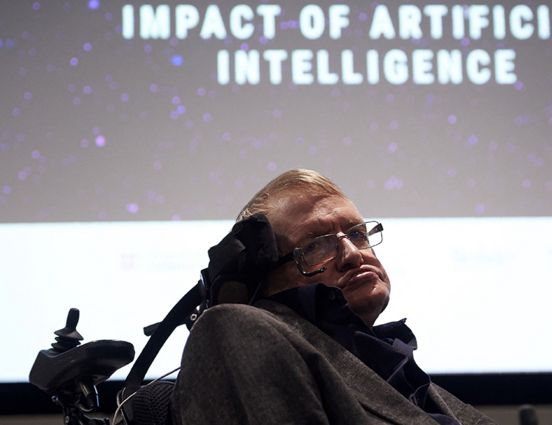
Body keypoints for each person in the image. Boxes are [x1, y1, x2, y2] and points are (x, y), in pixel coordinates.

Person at [172, 169, 495, 425]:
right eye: (316, 245)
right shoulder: (235, 326)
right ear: (263, 278)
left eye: (357, 234)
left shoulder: (395, 368)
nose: (353, 255)